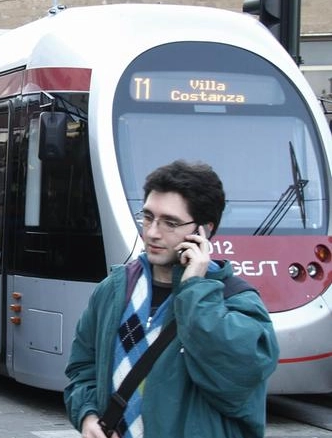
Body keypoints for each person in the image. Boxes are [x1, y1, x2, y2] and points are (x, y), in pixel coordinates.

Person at [64, 160, 280, 438]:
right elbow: (83, 368)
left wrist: (194, 289)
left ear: (205, 231)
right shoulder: (115, 289)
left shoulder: (235, 301)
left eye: (170, 222)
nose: (153, 232)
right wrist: (88, 415)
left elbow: (236, 381)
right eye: (148, 216)